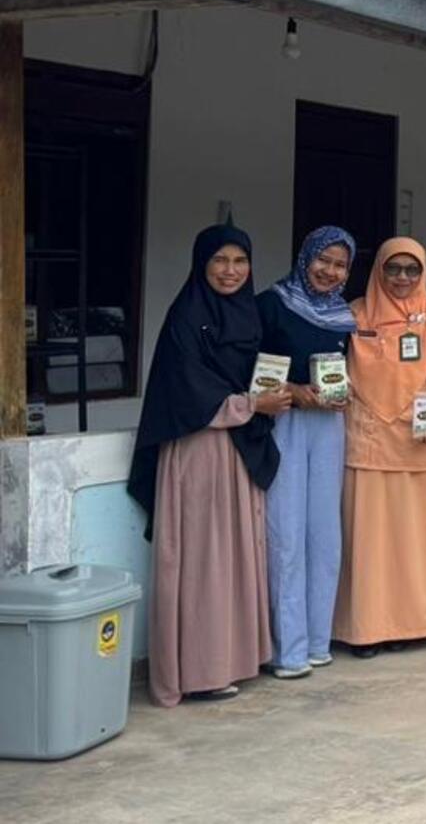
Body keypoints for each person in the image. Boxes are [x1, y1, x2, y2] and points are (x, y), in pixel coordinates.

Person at [129, 225, 287, 705]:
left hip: (239, 449)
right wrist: (251, 405)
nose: (230, 271)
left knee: (236, 555)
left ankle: (234, 660)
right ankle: (197, 671)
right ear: (202, 264)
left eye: (240, 261)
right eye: (220, 260)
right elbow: (188, 390)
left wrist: (270, 397)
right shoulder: (186, 317)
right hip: (200, 448)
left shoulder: (248, 315)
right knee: (204, 559)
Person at [334, 239, 426, 657]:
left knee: (413, 541)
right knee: (367, 541)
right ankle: (366, 628)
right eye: (394, 268)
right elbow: (337, 371)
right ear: (379, 270)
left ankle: (412, 623)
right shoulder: (354, 315)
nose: (402, 278)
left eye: (412, 270)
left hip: (417, 442)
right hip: (368, 440)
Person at [255, 225, 355, 678]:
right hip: (285, 423)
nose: (330, 272)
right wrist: (295, 391)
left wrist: (343, 393)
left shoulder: (343, 316)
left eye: (340, 265)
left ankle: (317, 641)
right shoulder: (271, 305)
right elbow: (250, 370)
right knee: (286, 533)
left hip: (329, 425)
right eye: (323, 260)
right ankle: (288, 650)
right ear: (304, 257)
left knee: (325, 534)